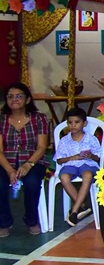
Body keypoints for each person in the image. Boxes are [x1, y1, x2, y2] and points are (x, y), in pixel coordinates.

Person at [0, 83, 51, 236]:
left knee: (32, 183)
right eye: (10, 96)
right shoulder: (1, 120)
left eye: (18, 96)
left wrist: (28, 165)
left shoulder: (39, 118)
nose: (13, 99)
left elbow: (42, 147)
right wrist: (9, 170)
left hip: (33, 159)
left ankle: (31, 220)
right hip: (5, 160)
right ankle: (4, 222)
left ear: (28, 99)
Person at [53, 107, 99, 226]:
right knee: (64, 177)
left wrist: (90, 155)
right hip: (70, 164)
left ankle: (74, 211)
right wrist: (71, 158)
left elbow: (98, 157)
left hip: (88, 163)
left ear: (84, 123)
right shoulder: (64, 140)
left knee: (87, 175)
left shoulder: (91, 139)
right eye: (70, 122)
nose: (73, 125)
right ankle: (82, 206)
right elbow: (59, 160)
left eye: (77, 122)